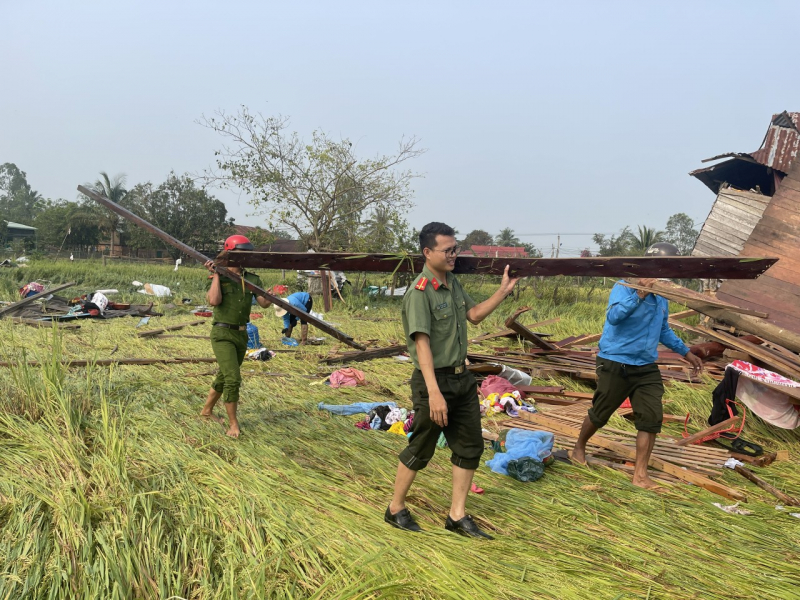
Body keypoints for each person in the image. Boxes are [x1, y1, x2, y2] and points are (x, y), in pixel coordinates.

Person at [385, 222, 519, 538]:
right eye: (447, 250)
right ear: (427, 252)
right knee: (422, 445)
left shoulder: (453, 284)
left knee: (470, 445)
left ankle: (456, 515)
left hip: (461, 379)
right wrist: (434, 392)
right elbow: (422, 346)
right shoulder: (420, 293)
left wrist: (502, 292)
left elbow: (473, 316)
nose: (453, 255)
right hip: (434, 382)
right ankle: (395, 508)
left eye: (455, 249)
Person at [571, 242, 704, 489]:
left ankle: (640, 475)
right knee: (601, 413)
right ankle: (578, 447)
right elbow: (614, 317)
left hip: (645, 366)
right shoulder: (623, 286)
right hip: (615, 362)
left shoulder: (662, 297)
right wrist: (639, 294)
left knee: (651, 417)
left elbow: (663, 330)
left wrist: (686, 352)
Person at [200, 235, 271, 438]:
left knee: (224, 375)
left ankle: (206, 411)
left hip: (242, 335)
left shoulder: (252, 279)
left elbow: (264, 304)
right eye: (241, 254)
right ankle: (233, 424)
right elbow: (214, 301)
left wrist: (273, 295)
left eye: (247, 255)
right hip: (222, 333)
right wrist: (215, 275)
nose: (245, 258)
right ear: (230, 254)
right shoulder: (219, 277)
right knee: (233, 378)